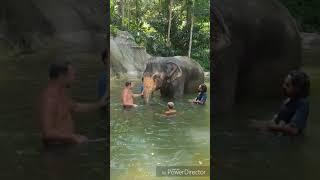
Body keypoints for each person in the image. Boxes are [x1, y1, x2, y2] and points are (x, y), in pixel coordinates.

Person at [39, 61, 107, 146]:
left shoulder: (61, 92)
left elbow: (76, 107)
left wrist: (99, 104)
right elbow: (47, 133)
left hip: (66, 147)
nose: (74, 78)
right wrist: (73, 137)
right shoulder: (49, 98)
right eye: (72, 75)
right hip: (55, 152)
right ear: (62, 76)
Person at [251, 70, 310, 136]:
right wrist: (260, 124)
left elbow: (294, 130)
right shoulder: (288, 100)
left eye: (287, 85)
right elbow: (276, 121)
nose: (283, 86)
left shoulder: (302, 104)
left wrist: (270, 127)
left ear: (297, 88)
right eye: (284, 83)